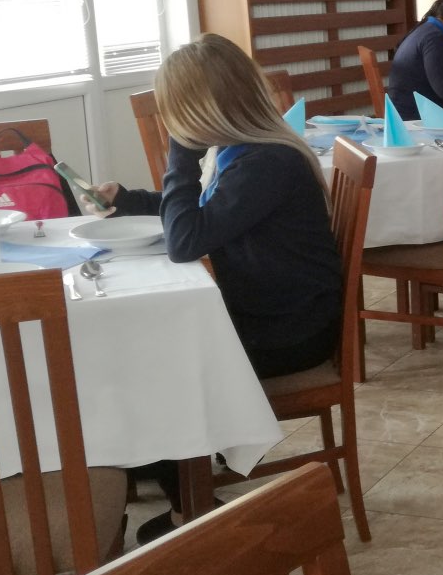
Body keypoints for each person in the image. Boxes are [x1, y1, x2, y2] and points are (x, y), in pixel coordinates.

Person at [84, 34, 342, 544]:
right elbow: (209, 213)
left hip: (293, 330)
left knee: (154, 369)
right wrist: (130, 199)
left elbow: (186, 240)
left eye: (175, 116)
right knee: (147, 350)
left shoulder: (265, 164)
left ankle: (192, 506)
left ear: (201, 111)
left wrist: (179, 153)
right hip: (271, 312)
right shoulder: (246, 153)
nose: (171, 126)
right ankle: (170, 457)